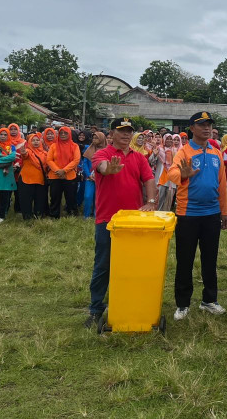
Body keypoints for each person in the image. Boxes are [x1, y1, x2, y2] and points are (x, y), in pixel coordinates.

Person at [84, 118, 157, 327]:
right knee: (103, 265)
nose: (126, 134)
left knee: (133, 264)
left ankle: (129, 303)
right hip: (108, 220)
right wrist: (109, 170)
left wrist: (151, 202)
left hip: (133, 221)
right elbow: (102, 167)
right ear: (111, 134)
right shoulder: (102, 154)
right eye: (121, 130)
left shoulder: (139, 157)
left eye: (129, 131)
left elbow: (149, 179)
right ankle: (96, 309)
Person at [167, 112, 227, 320]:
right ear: (192, 128)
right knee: (185, 259)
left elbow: (222, 184)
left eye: (209, 125)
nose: (206, 128)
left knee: (210, 259)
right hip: (188, 214)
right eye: (201, 125)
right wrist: (182, 174)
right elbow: (172, 173)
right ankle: (182, 303)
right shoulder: (184, 152)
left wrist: (224, 211)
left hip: (212, 214)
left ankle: (209, 300)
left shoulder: (216, 153)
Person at [46, 126, 81, 218]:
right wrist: (58, 171)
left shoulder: (74, 146)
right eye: (61, 133)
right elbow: (49, 160)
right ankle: (54, 215)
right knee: (55, 197)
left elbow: (76, 160)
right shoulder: (53, 146)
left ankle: (72, 214)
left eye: (65, 133)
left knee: (71, 196)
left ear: (69, 134)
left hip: (69, 175)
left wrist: (64, 171)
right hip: (55, 175)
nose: (63, 135)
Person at [17, 132, 48, 220]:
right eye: (33, 140)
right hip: (26, 179)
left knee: (40, 199)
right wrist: (23, 152)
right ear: (29, 142)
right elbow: (25, 155)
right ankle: (27, 218)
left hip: (40, 179)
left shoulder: (45, 153)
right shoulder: (28, 151)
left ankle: (38, 216)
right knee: (26, 200)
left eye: (37, 140)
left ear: (40, 141)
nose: (35, 142)